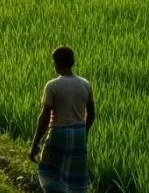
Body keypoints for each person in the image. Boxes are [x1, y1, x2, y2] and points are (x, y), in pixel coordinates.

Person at [30, 46, 95, 193]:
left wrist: (34, 144)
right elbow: (91, 114)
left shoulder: (52, 86)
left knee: (50, 173)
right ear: (72, 62)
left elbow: (45, 117)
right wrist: (84, 132)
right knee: (75, 177)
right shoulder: (85, 84)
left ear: (56, 63)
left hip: (59, 134)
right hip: (79, 134)